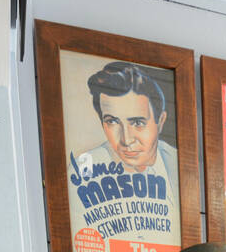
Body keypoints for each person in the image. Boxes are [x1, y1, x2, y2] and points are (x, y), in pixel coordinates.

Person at [77, 60, 180, 209]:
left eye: (138, 123)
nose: (126, 140)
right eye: (112, 121)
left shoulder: (179, 168)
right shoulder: (83, 170)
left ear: (161, 121)